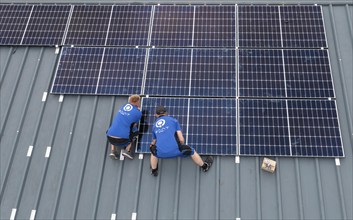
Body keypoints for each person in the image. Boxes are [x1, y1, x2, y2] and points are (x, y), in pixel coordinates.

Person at [149, 106, 213, 176]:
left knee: (153, 152)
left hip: (160, 154)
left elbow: (153, 142)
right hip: (176, 151)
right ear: (166, 113)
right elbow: (181, 139)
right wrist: (179, 145)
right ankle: (205, 166)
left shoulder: (154, 126)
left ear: (156, 115)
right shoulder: (173, 121)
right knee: (192, 151)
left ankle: (154, 170)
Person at [107, 95, 142, 160]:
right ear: (137, 101)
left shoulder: (122, 107)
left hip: (109, 138)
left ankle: (113, 151)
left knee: (116, 126)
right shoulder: (137, 113)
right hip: (122, 140)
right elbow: (134, 124)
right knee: (135, 131)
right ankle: (127, 150)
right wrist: (138, 110)